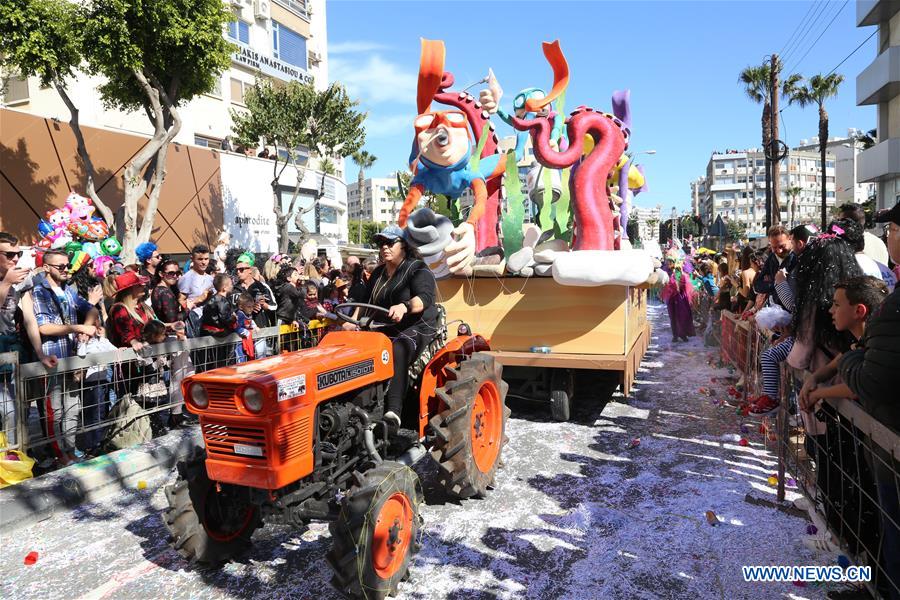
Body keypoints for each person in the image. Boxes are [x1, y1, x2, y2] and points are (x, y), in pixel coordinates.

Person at [839, 201, 900, 598]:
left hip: (891, 440)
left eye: (893, 228)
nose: (888, 236)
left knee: (894, 534)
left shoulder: (892, 309)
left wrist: (853, 357)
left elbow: (871, 381)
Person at [344, 225, 438, 428]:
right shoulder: (378, 273)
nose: (384, 247)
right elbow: (364, 302)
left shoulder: (417, 268)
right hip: (386, 325)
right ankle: (354, 403)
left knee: (397, 349)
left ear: (403, 245)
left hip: (418, 325)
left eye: (389, 242)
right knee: (354, 347)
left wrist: (405, 307)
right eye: (381, 244)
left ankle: (393, 411)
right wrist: (350, 321)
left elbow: (425, 299)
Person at [33, 250, 102, 464]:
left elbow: (92, 310)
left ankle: (70, 449)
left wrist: (85, 330)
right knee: (55, 411)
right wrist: (78, 326)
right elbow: (43, 327)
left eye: (67, 266)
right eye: (60, 266)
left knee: (73, 408)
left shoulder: (68, 290)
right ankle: (58, 454)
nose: (65, 270)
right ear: (46, 267)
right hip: (52, 359)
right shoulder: (39, 291)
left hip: (72, 358)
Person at [0, 233, 57, 449]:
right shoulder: (10, 279)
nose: (15, 259)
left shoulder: (22, 279)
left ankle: (14, 459)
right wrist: (6, 283)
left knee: (16, 410)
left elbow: (30, 319)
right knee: (7, 410)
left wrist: (40, 353)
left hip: (11, 349)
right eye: (10, 254)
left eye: (18, 254)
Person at [799, 276, 888, 410]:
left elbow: (857, 387)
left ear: (859, 311)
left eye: (837, 304)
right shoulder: (857, 341)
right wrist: (813, 379)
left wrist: (818, 394)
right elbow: (832, 366)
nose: (831, 310)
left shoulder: (878, 346)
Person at [75, 308, 117, 455]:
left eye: (97, 320)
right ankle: (92, 444)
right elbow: (80, 356)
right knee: (92, 413)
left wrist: (120, 349)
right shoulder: (83, 342)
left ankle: (99, 441)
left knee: (102, 410)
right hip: (91, 381)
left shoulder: (101, 340)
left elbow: (113, 350)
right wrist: (82, 342)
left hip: (103, 379)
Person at [108, 271, 154, 352]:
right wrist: (134, 342)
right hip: (129, 357)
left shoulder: (143, 307)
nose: (143, 286)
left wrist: (171, 326)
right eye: (139, 285)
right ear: (130, 290)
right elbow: (125, 331)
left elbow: (154, 325)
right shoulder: (119, 309)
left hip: (148, 353)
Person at [200, 273, 237, 370]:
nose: (232, 285)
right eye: (230, 284)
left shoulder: (211, 299)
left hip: (207, 332)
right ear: (224, 288)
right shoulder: (222, 300)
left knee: (213, 360)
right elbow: (224, 318)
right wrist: (233, 318)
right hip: (219, 333)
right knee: (223, 360)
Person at [178, 244, 214, 337]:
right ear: (192, 259)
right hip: (195, 324)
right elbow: (180, 301)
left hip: (210, 322)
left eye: (206, 259)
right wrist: (198, 300)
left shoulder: (211, 279)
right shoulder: (186, 278)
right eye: (200, 259)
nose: (204, 262)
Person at [660, 259, 695, 342]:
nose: (667, 264)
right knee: (673, 317)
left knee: (682, 316)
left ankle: (682, 334)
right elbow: (666, 285)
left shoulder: (682, 275)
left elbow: (685, 285)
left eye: (669, 263)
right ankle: (675, 335)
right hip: (672, 299)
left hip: (681, 299)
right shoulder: (668, 274)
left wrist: (678, 285)